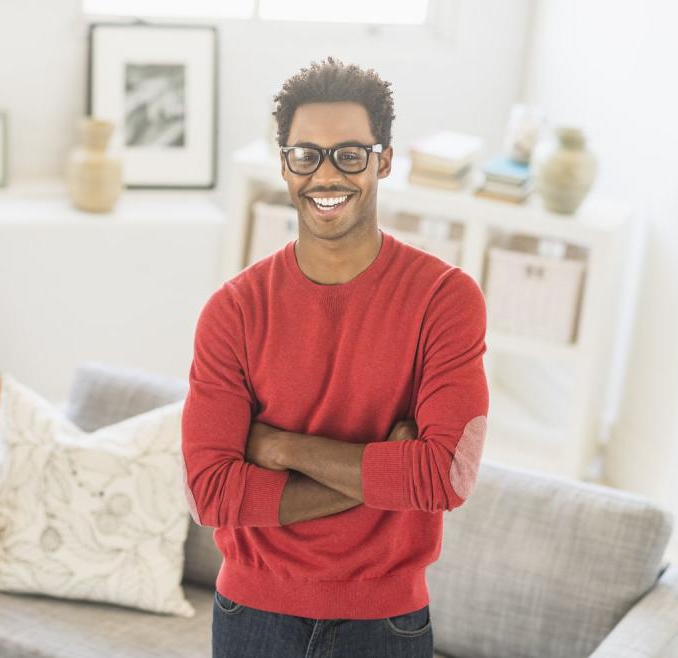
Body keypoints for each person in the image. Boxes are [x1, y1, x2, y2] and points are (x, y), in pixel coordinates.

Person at [180, 56, 489, 658]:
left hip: (387, 622)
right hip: (250, 617)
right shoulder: (234, 310)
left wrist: (281, 448)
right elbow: (210, 495)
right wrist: (388, 472)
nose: (326, 175)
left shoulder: (445, 299)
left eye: (350, 154)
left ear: (384, 160)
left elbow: (445, 477)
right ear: (285, 165)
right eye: (306, 155)